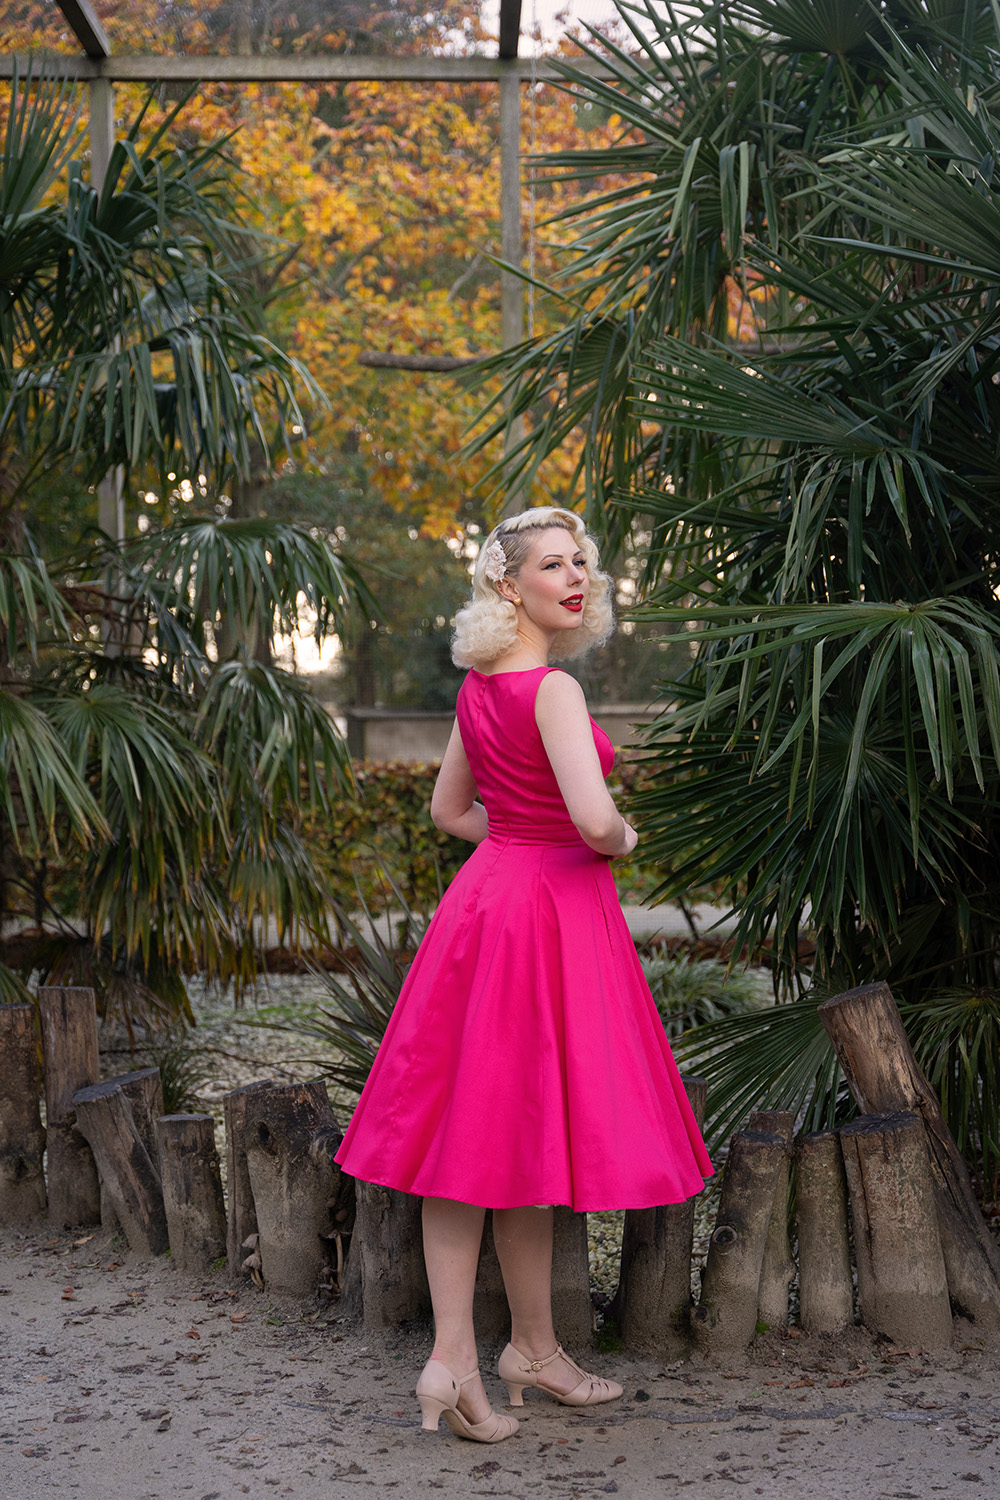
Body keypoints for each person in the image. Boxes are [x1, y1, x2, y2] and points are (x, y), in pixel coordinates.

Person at [335, 506, 712, 1444]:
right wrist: (619, 838)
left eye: (582, 561)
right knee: (518, 1131)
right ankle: (483, 1356)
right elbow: (594, 822)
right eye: (554, 565)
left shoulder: (476, 688)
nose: (577, 576)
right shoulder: (553, 691)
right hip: (553, 915)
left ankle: (491, 1354)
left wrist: (514, 844)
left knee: (485, 1138)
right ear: (510, 586)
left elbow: (445, 810)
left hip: (485, 906)